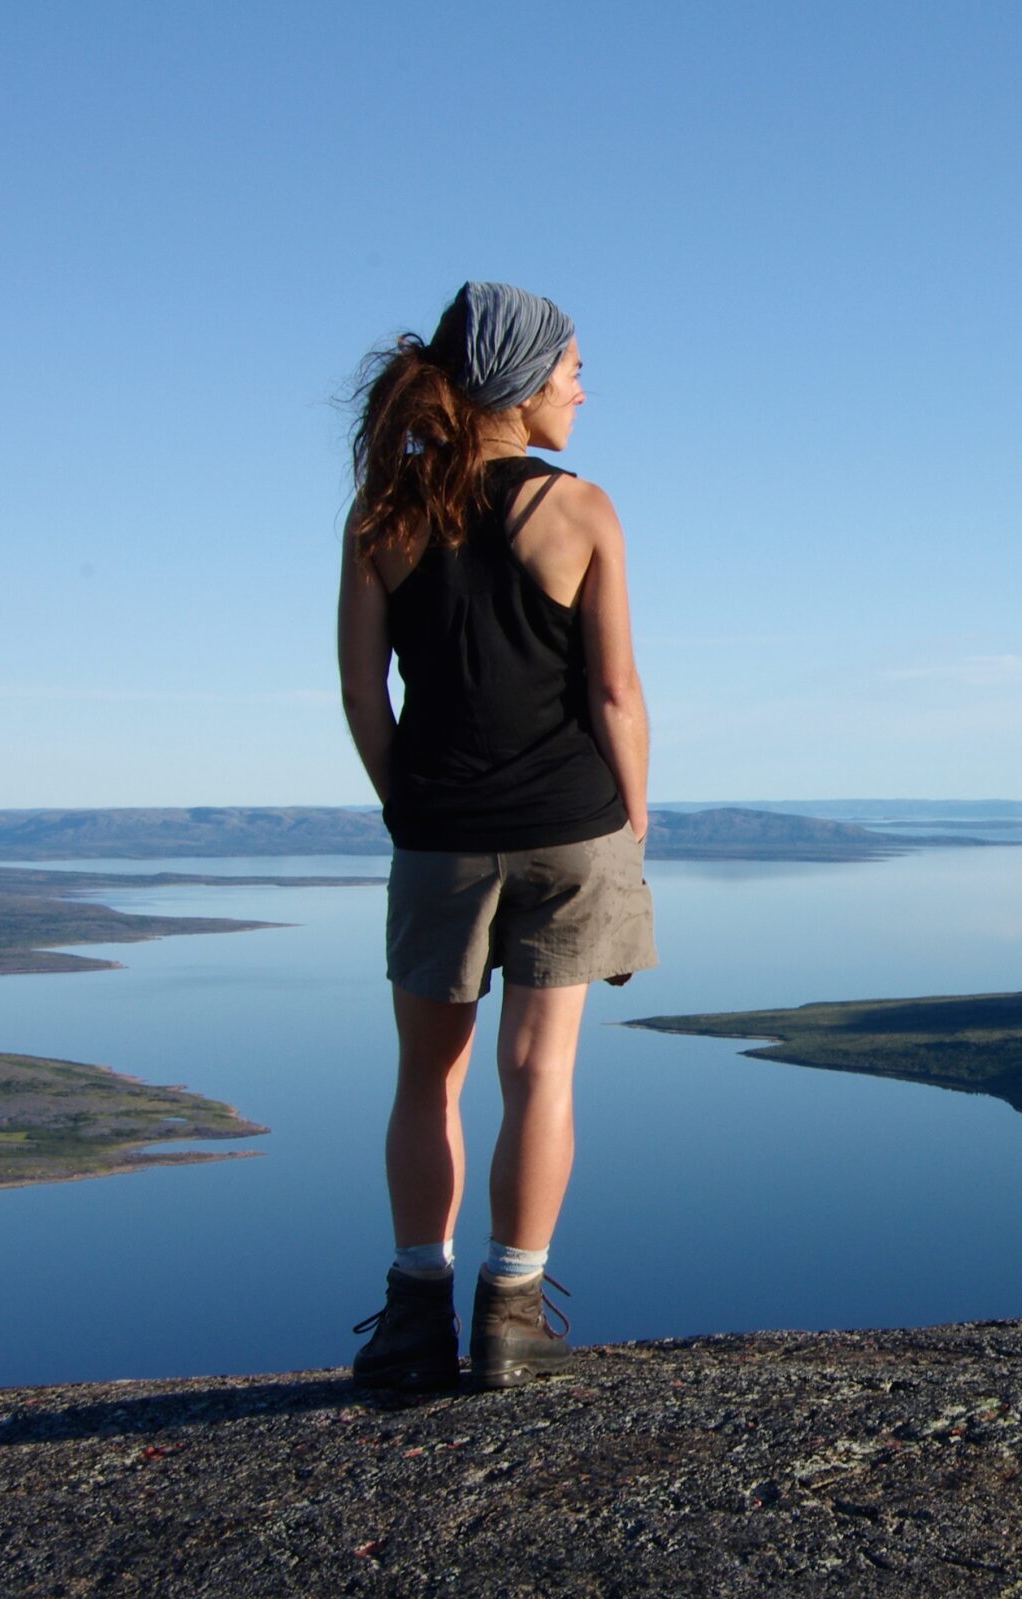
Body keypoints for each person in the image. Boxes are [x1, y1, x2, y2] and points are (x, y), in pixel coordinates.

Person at [337, 282, 656, 1393]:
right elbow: (615, 693)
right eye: (571, 368)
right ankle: (514, 1318)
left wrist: (408, 807)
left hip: (440, 836)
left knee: (429, 1078)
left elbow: (364, 695)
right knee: (541, 1070)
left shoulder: (387, 513)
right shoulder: (582, 510)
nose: (582, 386)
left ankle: (415, 1315)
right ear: (520, 383)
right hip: (573, 828)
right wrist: (633, 825)